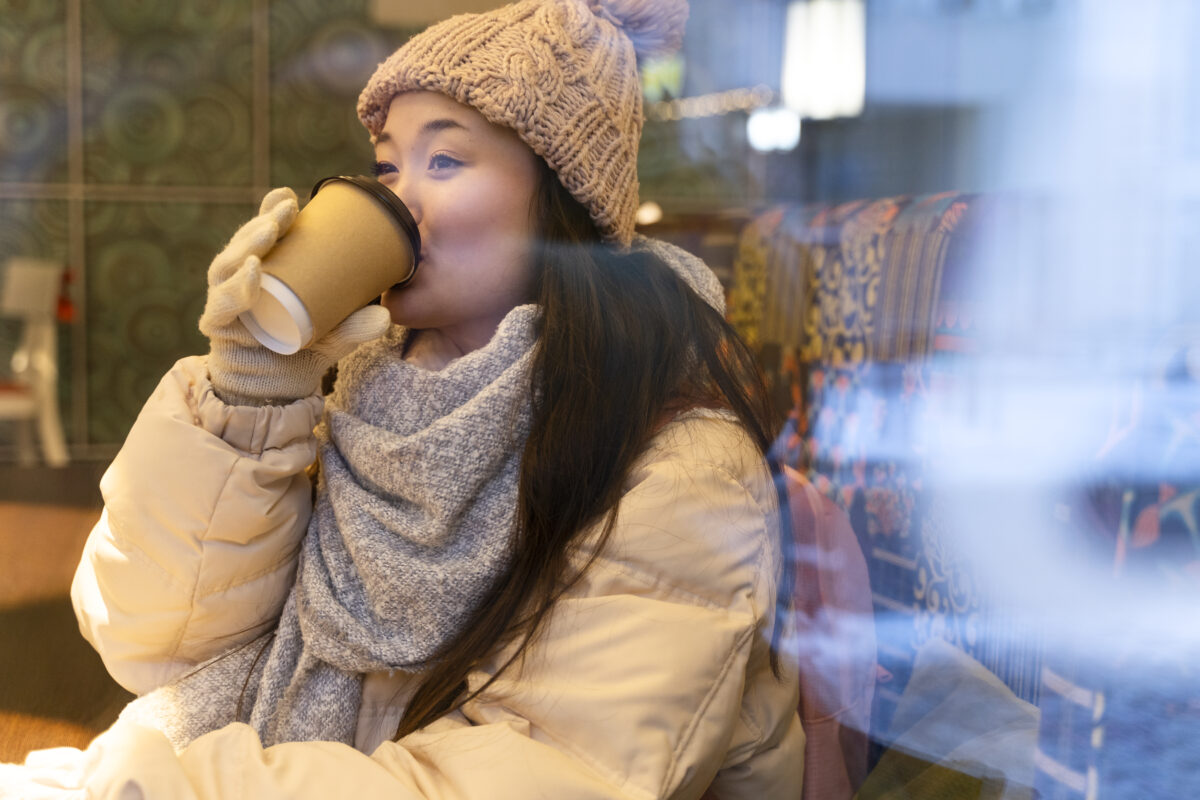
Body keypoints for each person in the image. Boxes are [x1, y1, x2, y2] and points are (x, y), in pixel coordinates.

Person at [1, 0, 803, 796]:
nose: (399, 200)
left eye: (445, 162)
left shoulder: (676, 460)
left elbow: (556, 771)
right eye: (387, 166)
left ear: (562, 204)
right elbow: (156, 643)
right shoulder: (362, 393)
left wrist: (185, 787)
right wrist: (248, 393)